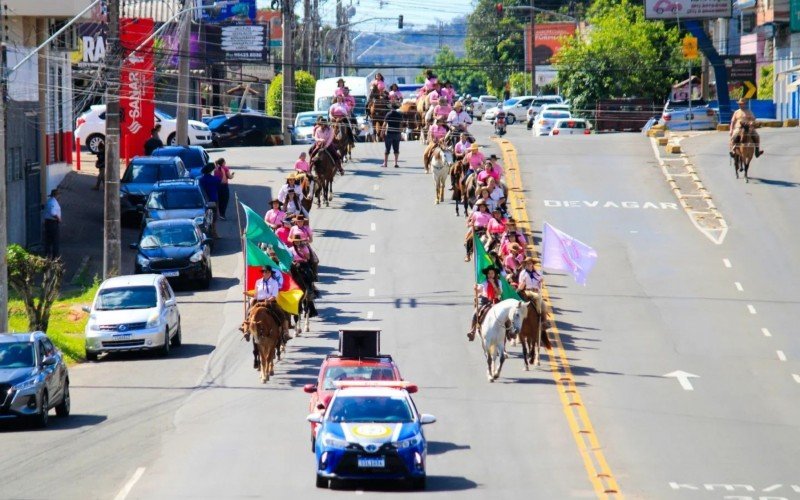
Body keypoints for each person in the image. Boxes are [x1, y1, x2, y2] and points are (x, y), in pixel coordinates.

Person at [249, 266, 289, 367]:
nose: (265, 273)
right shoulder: (258, 282)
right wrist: (253, 299)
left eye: (267, 272)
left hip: (270, 302)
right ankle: (246, 327)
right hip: (259, 302)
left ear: (270, 273)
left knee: (281, 314)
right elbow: (256, 294)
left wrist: (269, 300)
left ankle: (285, 331)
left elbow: (274, 295)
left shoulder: (274, 282)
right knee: (250, 312)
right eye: (264, 272)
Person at [468, 266, 503, 341]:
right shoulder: (483, 283)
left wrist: (493, 283)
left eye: (492, 273)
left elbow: (499, 292)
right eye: (489, 273)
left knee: (505, 314)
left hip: (496, 301)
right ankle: (472, 331)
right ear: (487, 274)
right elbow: (479, 291)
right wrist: (476, 289)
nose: (490, 275)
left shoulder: (499, 282)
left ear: (495, 274)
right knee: (475, 313)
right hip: (485, 301)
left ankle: (510, 332)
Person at [198, 163, 221, 238]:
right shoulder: (214, 179)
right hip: (213, 200)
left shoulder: (201, 180)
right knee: (214, 216)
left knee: (206, 216)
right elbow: (221, 181)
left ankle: (206, 232)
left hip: (204, 200)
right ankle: (214, 232)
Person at [383, 102, 404, 168]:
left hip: (389, 133)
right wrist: (400, 133)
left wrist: (382, 132)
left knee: (387, 149)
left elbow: (384, 124)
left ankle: (385, 163)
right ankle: (395, 163)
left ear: (391, 107)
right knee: (396, 149)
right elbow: (401, 125)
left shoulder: (388, 114)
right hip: (397, 133)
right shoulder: (399, 114)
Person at [43, 189, 62, 258]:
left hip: (48, 222)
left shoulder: (50, 201)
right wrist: (58, 219)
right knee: (55, 240)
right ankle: (55, 257)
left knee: (48, 240)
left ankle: (47, 255)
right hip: (52, 223)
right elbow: (53, 212)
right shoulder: (53, 202)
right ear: (57, 195)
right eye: (59, 195)